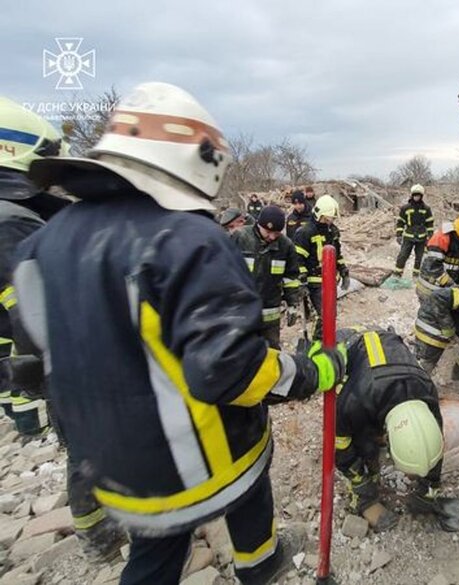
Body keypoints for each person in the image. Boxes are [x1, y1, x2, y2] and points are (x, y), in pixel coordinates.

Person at [13, 82, 347, 585]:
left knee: (154, 558)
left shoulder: (42, 244)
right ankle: (261, 567)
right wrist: (311, 371)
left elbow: (39, 353)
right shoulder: (190, 240)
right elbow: (230, 370)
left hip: (114, 461)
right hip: (205, 458)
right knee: (251, 496)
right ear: (199, 162)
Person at [0, 97, 127, 562]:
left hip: (65, 359)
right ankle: (100, 536)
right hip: (69, 363)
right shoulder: (11, 223)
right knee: (87, 447)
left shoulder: (21, 217)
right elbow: (36, 315)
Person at [334, 327, 459, 533]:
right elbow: (341, 450)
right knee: (364, 445)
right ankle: (363, 499)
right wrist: (363, 488)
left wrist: (428, 489)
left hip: (388, 343)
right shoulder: (353, 402)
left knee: (374, 439)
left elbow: (432, 444)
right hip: (349, 344)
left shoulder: (427, 394)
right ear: (386, 436)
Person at [243, 205, 302, 350]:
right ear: (258, 224)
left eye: (276, 233)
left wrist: (293, 304)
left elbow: (291, 277)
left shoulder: (285, 246)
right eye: (268, 232)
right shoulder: (240, 238)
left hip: (270, 315)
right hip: (242, 312)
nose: (272, 237)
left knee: (271, 353)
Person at [293, 194, 349, 339]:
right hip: (314, 281)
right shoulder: (305, 233)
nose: (330, 221)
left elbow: (337, 254)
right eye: (328, 218)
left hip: (330, 280)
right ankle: (319, 342)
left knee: (330, 313)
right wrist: (302, 281)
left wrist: (343, 270)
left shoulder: (333, 231)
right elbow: (298, 259)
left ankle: (323, 339)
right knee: (326, 314)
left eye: (331, 218)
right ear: (320, 215)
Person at [416, 211, 459, 299]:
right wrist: (451, 284)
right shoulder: (442, 238)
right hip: (430, 288)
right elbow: (433, 268)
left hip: (445, 289)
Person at [393, 184, 434, 278]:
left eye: (418, 195)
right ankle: (397, 273)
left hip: (422, 237)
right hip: (408, 236)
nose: (416, 197)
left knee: (420, 258)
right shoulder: (405, 208)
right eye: (415, 195)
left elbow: (430, 223)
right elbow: (400, 222)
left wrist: (430, 236)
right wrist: (399, 235)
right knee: (403, 255)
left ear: (421, 196)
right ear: (412, 195)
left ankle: (416, 275)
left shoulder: (426, 209)